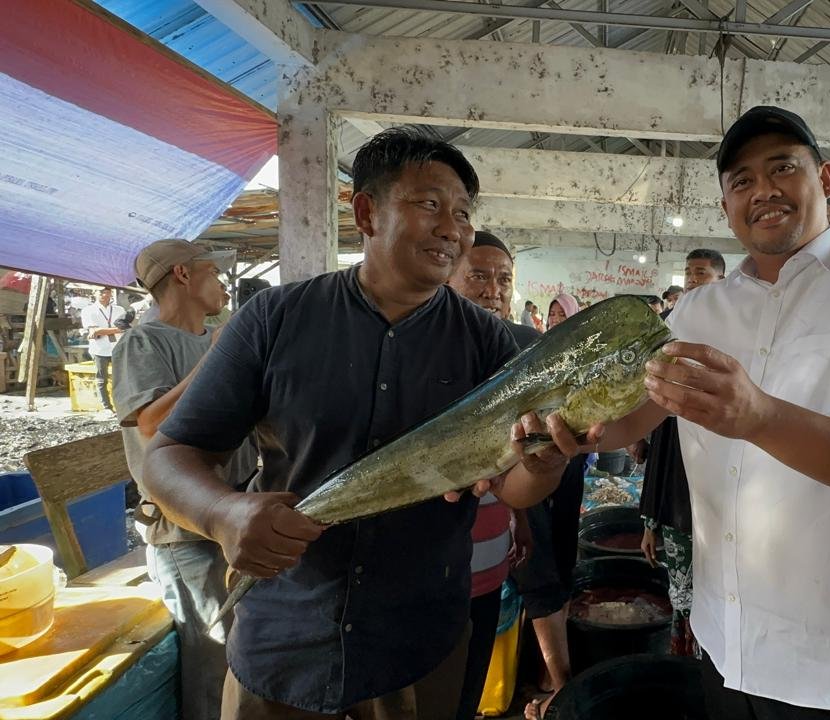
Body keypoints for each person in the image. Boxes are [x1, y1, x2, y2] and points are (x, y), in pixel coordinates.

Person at [139, 127, 582, 720]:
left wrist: (544, 463)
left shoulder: (488, 344)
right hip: (283, 635)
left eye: (463, 213)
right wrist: (222, 513)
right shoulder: (273, 319)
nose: (452, 228)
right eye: (429, 204)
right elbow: (170, 453)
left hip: (417, 643)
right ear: (367, 212)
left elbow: (512, 485)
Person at [546, 105, 830, 718]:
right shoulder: (698, 312)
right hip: (727, 646)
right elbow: (626, 420)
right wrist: (559, 427)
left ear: (824, 179)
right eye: (741, 180)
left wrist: (761, 418)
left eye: (782, 168)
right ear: (726, 206)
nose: (763, 190)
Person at [112, 239, 252, 720]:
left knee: (241, 645)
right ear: (184, 276)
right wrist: (217, 358)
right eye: (214, 272)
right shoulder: (143, 342)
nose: (223, 283)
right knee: (211, 652)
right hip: (185, 530)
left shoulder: (213, 335)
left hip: (232, 515)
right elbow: (149, 423)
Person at [446, 231, 537, 720]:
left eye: (504, 279)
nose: (493, 289)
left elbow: (516, 458)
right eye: (478, 275)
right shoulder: (429, 354)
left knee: (469, 686)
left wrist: (519, 519)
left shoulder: (518, 353)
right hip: (425, 567)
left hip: (487, 561)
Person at [639, 248, 726, 657]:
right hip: (676, 499)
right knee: (683, 593)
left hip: (722, 503)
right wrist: (650, 519)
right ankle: (686, 666)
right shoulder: (668, 350)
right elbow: (661, 448)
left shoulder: (731, 355)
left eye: (702, 274)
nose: (692, 280)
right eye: (689, 273)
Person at [519, 290, 587, 720]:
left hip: (570, 466)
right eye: (553, 313)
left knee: (561, 555)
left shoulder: (580, 354)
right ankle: (560, 683)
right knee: (538, 567)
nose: (559, 319)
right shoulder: (530, 350)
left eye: (565, 314)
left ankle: (553, 673)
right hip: (528, 469)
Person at [449, 230, 540, 348]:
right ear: (446, 282)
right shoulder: (425, 341)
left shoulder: (531, 345)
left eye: (504, 280)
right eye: (479, 277)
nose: (493, 293)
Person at [81, 286, 127, 412]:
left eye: (107, 292)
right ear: (94, 293)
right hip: (100, 349)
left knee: (121, 377)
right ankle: (106, 406)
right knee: (102, 379)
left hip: (118, 347)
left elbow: (125, 327)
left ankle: (122, 405)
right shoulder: (88, 310)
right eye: (101, 292)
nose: (105, 295)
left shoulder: (119, 309)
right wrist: (116, 329)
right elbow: (94, 331)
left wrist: (101, 330)